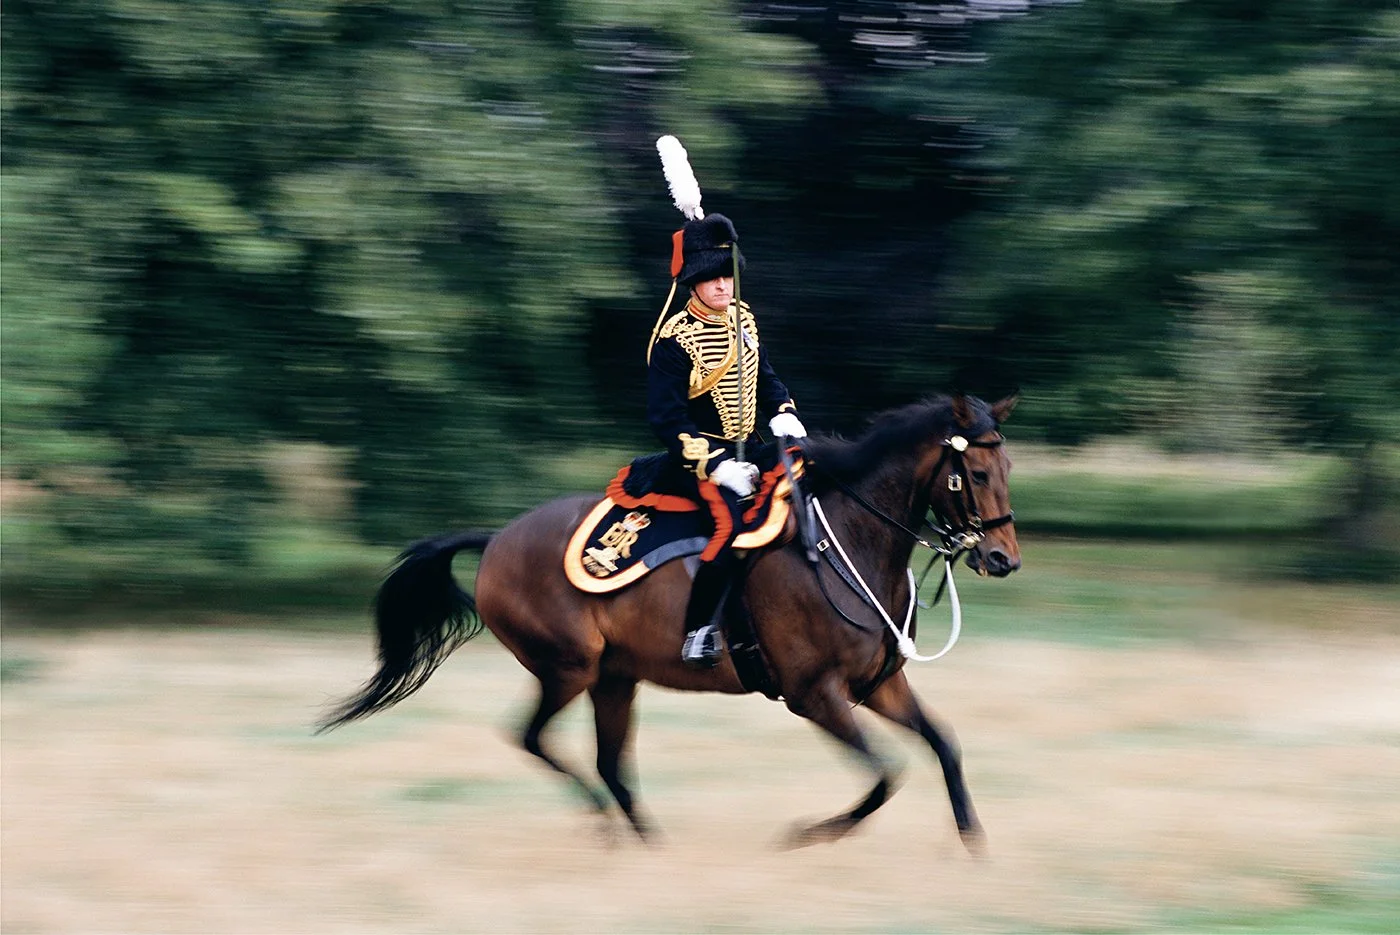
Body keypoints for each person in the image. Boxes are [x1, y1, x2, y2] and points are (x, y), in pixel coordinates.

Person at [646, 212, 806, 666]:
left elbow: (767, 378)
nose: (722, 286)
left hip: (750, 443)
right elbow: (666, 418)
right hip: (697, 457)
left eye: (727, 277)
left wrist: (784, 413)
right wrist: (716, 466)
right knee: (730, 529)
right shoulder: (673, 342)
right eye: (711, 279)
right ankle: (697, 631)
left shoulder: (745, 321)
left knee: (810, 473)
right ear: (693, 284)